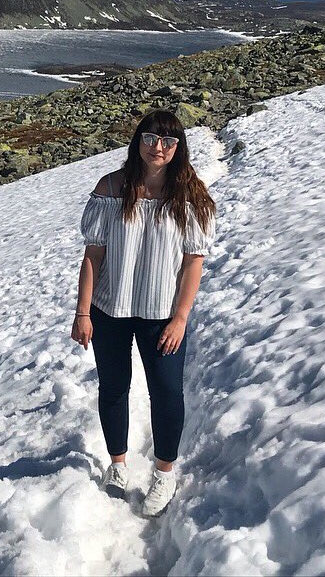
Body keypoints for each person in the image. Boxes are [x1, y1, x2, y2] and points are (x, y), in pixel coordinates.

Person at [71, 109, 217, 517]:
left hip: (161, 314)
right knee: (114, 388)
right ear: (138, 140)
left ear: (178, 148)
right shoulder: (111, 187)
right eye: (151, 138)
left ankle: (165, 472)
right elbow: (92, 255)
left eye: (169, 142)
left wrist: (181, 318)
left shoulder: (190, 196)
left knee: (168, 393)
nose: (158, 147)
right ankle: (117, 466)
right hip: (109, 309)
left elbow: (193, 262)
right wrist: (83, 312)